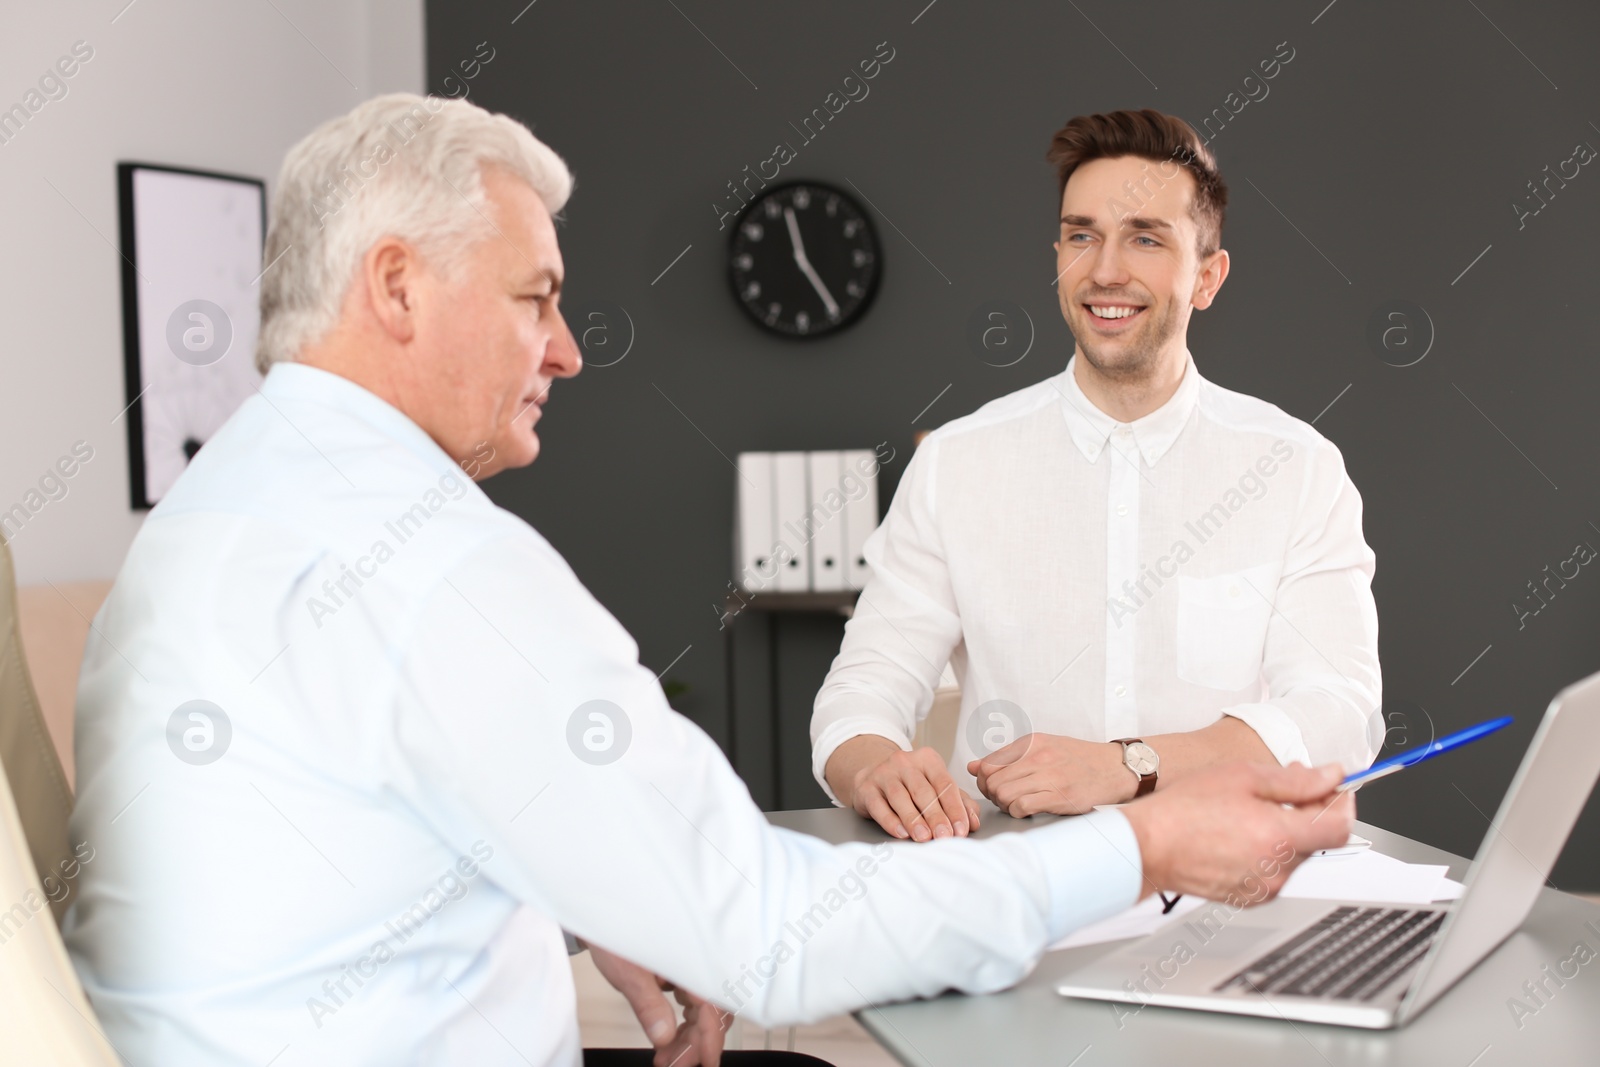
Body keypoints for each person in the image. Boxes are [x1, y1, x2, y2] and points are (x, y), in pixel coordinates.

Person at [63, 94, 1355, 1067]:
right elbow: (775, 931)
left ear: (1208, 271)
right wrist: (1144, 840)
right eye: (538, 296)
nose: (567, 349)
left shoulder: (227, 500)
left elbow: (335, 839)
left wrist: (581, 889)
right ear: (397, 285)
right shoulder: (427, 557)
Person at [812, 109, 1381, 842]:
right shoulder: (956, 463)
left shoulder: (1296, 468)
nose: (1106, 269)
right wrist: (874, 765)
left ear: (1207, 276)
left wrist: (1129, 763)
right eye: (1083, 236)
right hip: (1016, 890)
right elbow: (860, 691)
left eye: (1146, 238)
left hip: (1226, 880)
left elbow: (1339, 711)